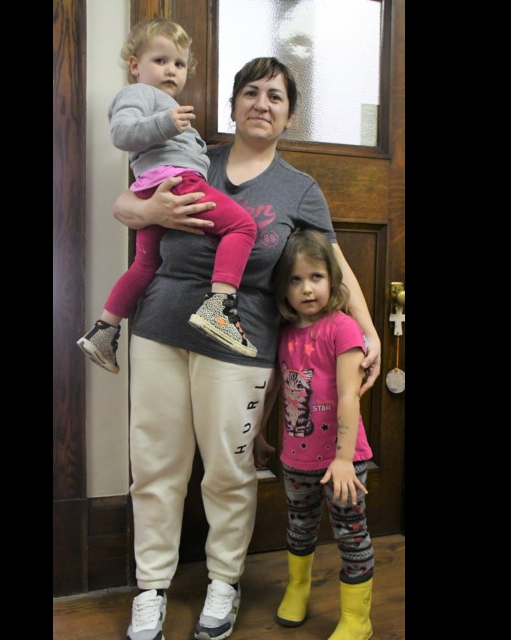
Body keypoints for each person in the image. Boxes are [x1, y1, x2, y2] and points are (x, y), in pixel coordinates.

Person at [112, 56, 382, 640]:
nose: (262, 104)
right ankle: (151, 588)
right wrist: (151, 209)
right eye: (251, 93)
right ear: (232, 104)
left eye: (276, 97)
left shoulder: (299, 189)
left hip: (240, 344)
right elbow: (125, 206)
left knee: (229, 471)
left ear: (288, 116)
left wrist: (368, 330)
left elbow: (333, 264)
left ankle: (223, 583)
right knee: (155, 466)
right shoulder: (189, 153)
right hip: (159, 327)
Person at [76, 18, 258, 375]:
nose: (171, 70)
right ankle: (219, 306)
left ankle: (104, 329)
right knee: (243, 227)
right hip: (177, 182)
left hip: (157, 186)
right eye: (160, 60)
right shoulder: (140, 95)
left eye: (179, 63)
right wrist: (167, 124)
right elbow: (122, 134)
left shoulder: (163, 105)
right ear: (134, 66)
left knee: (145, 265)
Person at [271, 228, 374, 640]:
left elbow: (350, 394)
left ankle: (357, 618)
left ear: (332, 279)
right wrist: (263, 436)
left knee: (351, 534)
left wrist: (344, 458)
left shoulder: (343, 328)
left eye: (315, 277)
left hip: (343, 463)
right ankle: (298, 587)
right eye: (295, 280)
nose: (306, 288)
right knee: (299, 527)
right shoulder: (285, 333)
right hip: (295, 460)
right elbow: (276, 388)